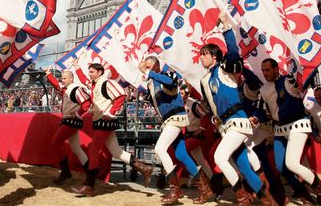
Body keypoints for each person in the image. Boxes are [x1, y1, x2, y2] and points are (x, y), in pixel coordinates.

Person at [199, 35, 273, 206]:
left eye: (205, 54)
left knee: (220, 157)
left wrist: (225, 28)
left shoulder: (225, 70)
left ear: (214, 57)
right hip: (226, 126)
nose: (201, 57)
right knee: (244, 167)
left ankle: (242, 198)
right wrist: (213, 118)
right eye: (200, 55)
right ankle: (266, 199)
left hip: (237, 121)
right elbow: (212, 105)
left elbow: (233, 53)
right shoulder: (205, 80)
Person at [256, 59, 321, 206]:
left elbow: (306, 78)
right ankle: (307, 197)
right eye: (263, 70)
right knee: (282, 167)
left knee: (292, 164)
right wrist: (255, 118)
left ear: (276, 69)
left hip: (297, 124)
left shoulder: (289, 80)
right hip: (280, 129)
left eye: (267, 70)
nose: (265, 73)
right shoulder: (264, 90)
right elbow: (261, 112)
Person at [139, 57, 214, 204]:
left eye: (149, 67)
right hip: (169, 120)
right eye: (146, 67)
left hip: (175, 118)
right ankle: (206, 190)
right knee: (182, 155)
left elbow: (171, 83)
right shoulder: (151, 83)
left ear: (156, 66)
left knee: (160, 149)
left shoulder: (168, 75)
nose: (146, 69)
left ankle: (175, 190)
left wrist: (148, 73)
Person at [72, 63, 153, 197]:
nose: (89, 74)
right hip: (101, 120)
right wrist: (76, 68)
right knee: (117, 152)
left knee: (93, 150)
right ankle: (145, 168)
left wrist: (111, 112)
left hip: (105, 120)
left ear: (99, 72)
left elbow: (121, 95)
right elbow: (83, 79)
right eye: (89, 71)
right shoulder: (95, 84)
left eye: (91, 72)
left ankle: (89, 185)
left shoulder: (106, 83)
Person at [45, 69, 91, 184]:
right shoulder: (67, 89)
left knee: (55, 143)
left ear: (71, 79)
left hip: (70, 121)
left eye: (65, 78)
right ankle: (90, 174)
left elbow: (86, 104)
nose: (62, 80)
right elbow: (57, 85)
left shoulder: (76, 89)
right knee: (77, 149)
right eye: (62, 78)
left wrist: (77, 114)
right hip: (70, 121)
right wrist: (48, 74)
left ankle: (66, 172)